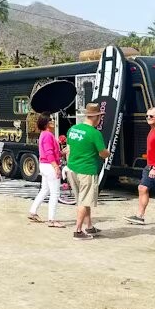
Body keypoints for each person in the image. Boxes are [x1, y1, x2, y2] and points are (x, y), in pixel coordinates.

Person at [65, 103, 110, 240]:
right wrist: (108, 152)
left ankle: (89, 226)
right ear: (96, 117)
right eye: (100, 117)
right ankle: (78, 231)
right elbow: (102, 153)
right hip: (87, 170)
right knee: (84, 201)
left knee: (83, 199)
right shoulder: (95, 133)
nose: (101, 120)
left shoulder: (73, 129)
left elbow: (68, 149)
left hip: (72, 169)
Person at [28, 115, 64, 227]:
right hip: (50, 166)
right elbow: (49, 153)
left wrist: (62, 152)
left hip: (44, 165)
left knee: (45, 189)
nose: (53, 122)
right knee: (55, 193)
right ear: (46, 123)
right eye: (51, 120)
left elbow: (51, 152)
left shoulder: (44, 134)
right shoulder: (48, 135)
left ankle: (33, 211)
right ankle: (51, 220)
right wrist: (56, 167)